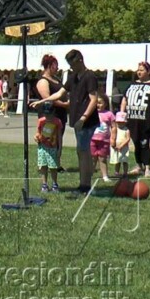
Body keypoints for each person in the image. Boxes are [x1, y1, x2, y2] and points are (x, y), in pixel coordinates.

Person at [32, 49, 98, 193]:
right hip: (77, 119)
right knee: (82, 151)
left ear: (80, 60)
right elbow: (60, 93)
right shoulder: (73, 77)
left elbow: (94, 100)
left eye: (72, 64)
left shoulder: (90, 76)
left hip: (87, 121)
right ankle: (85, 184)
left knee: (83, 151)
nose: (71, 67)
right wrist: (42, 101)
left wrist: (83, 118)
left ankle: (85, 186)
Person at [120, 61, 150, 178]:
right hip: (132, 119)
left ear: (148, 71)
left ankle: (147, 168)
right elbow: (125, 99)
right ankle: (139, 165)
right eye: (138, 70)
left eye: (142, 70)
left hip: (146, 120)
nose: (139, 72)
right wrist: (122, 113)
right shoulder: (132, 84)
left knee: (144, 143)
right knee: (136, 143)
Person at [34, 54, 69, 169]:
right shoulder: (43, 81)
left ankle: (56, 163)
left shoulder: (56, 79)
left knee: (58, 139)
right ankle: (45, 164)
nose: (57, 68)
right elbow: (47, 98)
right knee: (48, 140)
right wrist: (64, 104)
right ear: (49, 66)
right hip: (49, 116)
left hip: (60, 115)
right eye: (55, 65)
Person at [35, 102, 62, 193]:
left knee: (53, 166)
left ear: (53, 112)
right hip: (42, 147)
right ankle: (44, 184)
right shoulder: (41, 121)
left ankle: (55, 184)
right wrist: (36, 137)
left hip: (53, 147)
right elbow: (38, 132)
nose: (47, 116)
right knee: (43, 166)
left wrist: (59, 148)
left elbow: (59, 136)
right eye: (45, 114)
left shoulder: (57, 122)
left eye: (49, 114)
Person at [91, 92, 115, 183]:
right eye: (96, 103)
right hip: (92, 139)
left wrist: (113, 138)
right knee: (92, 158)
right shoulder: (92, 113)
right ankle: (90, 174)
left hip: (104, 141)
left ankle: (105, 176)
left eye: (100, 103)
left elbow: (113, 127)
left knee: (102, 158)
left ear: (105, 104)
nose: (98, 105)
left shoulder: (109, 114)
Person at [110, 111, 131, 178]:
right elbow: (112, 137)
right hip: (116, 147)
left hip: (124, 148)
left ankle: (125, 173)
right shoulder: (115, 129)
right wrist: (113, 144)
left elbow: (128, 139)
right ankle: (116, 172)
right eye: (118, 122)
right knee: (117, 161)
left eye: (122, 122)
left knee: (124, 161)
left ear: (125, 122)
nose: (120, 124)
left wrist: (121, 145)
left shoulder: (126, 130)